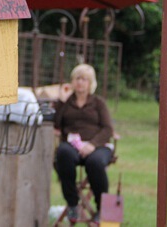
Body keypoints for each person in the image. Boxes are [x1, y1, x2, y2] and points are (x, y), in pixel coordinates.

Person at [54, 64, 114, 224]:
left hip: (97, 146)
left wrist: (92, 145)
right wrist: (61, 101)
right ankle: (72, 204)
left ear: (90, 83)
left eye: (84, 79)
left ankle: (102, 209)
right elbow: (56, 124)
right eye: (77, 78)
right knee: (63, 153)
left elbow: (108, 129)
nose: (80, 82)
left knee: (95, 162)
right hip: (72, 145)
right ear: (72, 81)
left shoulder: (98, 103)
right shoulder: (66, 102)